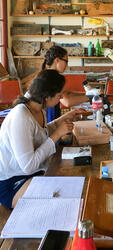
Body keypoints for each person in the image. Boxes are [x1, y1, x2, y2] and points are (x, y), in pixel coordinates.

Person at [0, 70, 83, 210]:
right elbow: (29, 165)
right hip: (12, 181)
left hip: (34, 172)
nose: (61, 97)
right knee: (62, 200)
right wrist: (57, 134)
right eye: (59, 95)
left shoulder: (38, 108)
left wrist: (63, 119)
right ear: (46, 96)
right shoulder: (21, 116)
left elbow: (40, 133)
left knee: (72, 186)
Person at [41, 45, 88, 121]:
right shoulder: (52, 77)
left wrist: (87, 93)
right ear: (57, 60)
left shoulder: (49, 74)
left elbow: (65, 93)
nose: (67, 65)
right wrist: (91, 97)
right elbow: (67, 102)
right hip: (48, 120)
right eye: (66, 61)